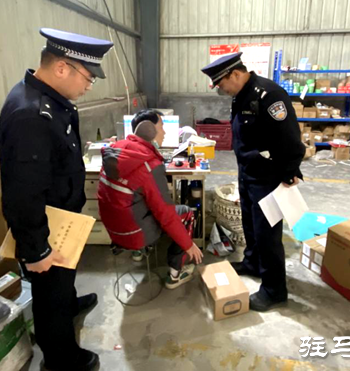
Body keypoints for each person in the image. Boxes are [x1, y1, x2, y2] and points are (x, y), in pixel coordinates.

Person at [0, 28, 113, 371]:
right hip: (46, 227)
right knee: (50, 295)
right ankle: (61, 358)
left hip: (63, 217)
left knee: (63, 285)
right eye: (88, 77)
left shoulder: (52, 101)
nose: (89, 85)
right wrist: (36, 251)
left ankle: (69, 303)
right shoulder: (31, 114)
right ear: (62, 67)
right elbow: (23, 192)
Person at [201, 53, 305, 312]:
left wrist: (290, 171)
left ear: (235, 74)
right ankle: (253, 263)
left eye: (221, 84)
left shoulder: (269, 95)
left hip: (268, 176)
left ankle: (274, 290)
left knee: (267, 234)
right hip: (248, 172)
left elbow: (290, 137)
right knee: (250, 224)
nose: (222, 90)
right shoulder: (241, 95)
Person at [98, 110, 204, 288]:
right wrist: (189, 245)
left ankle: (138, 253)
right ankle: (175, 274)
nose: (165, 132)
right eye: (162, 126)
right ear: (149, 129)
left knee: (135, 200)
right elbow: (165, 214)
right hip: (134, 233)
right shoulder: (148, 165)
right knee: (184, 212)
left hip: (113, 230)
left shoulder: (115, 151)